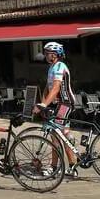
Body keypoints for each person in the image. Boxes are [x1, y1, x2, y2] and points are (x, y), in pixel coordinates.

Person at [35, 41, 77, 170]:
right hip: (59, 104)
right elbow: (48, 89)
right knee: (63, 135)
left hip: (66, 103)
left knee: (54, 134)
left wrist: (43, 104)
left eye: (48, 53)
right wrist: (42, 104)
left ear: (55, 55)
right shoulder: (52, 68)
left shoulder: (59, 66)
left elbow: (56, 89)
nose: (45, 55)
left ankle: (54, 167)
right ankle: (73, 166)